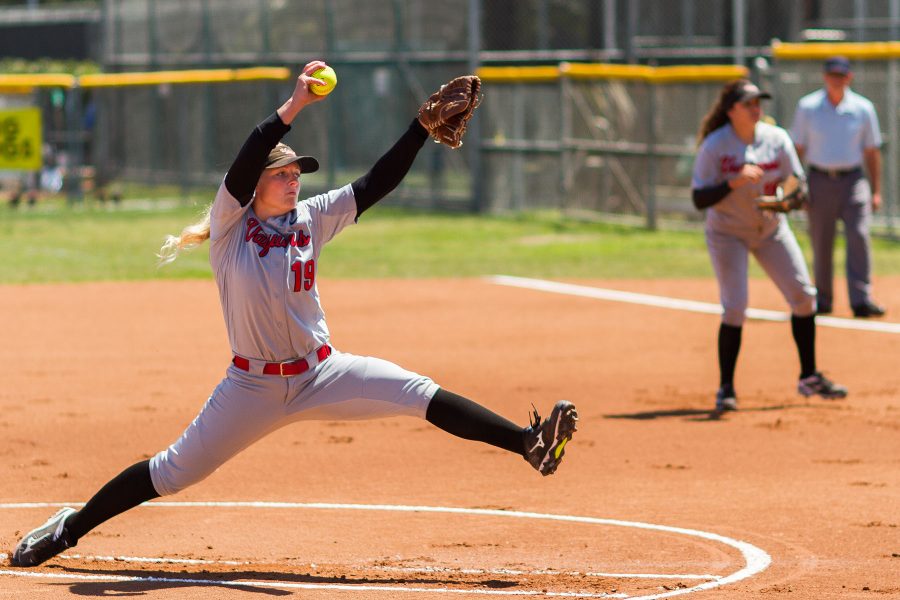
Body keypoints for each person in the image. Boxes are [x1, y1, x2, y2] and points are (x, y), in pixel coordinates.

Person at [9, 62, 578, 568]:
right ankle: (67, 530)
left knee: (418, 392)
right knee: (171, 472)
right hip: (249, 388)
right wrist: (296, 105)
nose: (293, 178)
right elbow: (249, 153)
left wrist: (418, 131)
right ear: (253, 186)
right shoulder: (229, 228)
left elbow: (374, 184)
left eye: (296, 173)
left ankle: (527, 443)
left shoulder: (311, 218)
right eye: (281, 173)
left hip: (320, 372)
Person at [690, 79, 847, 414]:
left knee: (805, 296)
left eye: (758, 102)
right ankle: (726, 388)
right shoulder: (716, 146)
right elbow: (699, 198)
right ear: (732, 110)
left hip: (771, 229)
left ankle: (809, 376)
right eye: (748, 103)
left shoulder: (776, 140)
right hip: (728, 232)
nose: (755, 107)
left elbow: (798, 185)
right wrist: (733, 181)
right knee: (735, 306)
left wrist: (789, 201)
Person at [789, 56, 885, 318]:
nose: (836, 79)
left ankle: (861, 299)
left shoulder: (863, 108)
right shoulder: (808, 107)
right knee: (822, 240)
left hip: (854, 180)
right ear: (824, 76)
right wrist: (798, 187)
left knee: (859, 234)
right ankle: (823, 298)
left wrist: (876, 190)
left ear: (849, 77)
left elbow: (872, 152)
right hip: (818, 179)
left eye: (841, 75)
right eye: (832, 74)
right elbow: (797, 150)